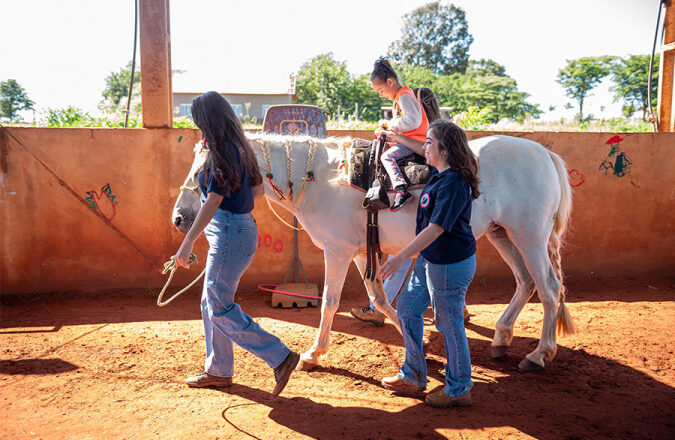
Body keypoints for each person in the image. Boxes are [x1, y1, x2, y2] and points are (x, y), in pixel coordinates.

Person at [174, 91, 299, 396]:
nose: (198, 128)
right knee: (211, 302)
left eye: (200, 122)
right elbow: (256, 190)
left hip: (229, 232)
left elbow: (214, 199)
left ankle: (279, 356)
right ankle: (218, 369)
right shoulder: (239, 147)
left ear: (208, 121)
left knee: (218, 305)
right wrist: (235, 206)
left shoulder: (222, 152)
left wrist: (188, 241)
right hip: (237, 230)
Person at [379, 120, 480, 409]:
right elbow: (417, 148)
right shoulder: (438, 174)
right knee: (408, 308)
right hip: (431, 259)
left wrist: (399, 256)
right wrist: (394, 137)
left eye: (429, 142)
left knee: (449, 323)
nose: (423, 146)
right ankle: (413, 374)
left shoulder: (453, 184)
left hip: (449, 264)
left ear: (445, 150)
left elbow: (435, 229)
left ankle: (460, 387)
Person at [350, 87, 441, 326]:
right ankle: (378, 307)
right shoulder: (436, 135)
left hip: (418, 213)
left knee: (404, 258)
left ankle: (377, 308)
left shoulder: (429, 140)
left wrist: (392, 133)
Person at [370, 58, 429, 211]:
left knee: (386, 157)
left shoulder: (403, 96)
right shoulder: (400, 97)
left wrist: (390, 124)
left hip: (417, 141)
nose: (381, 95)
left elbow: (413, 122)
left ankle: (401, 190)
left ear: (390, 82)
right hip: (411, 139)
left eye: (381, 91)